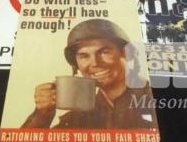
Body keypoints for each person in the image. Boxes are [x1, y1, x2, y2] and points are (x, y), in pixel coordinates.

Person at [22, 19, 157, 129]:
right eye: (84, 56)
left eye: (104, 52)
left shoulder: (155, 100)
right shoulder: (78, 117)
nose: (95, 63)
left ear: (126, 53)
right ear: (76, 65)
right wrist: (42, 116)